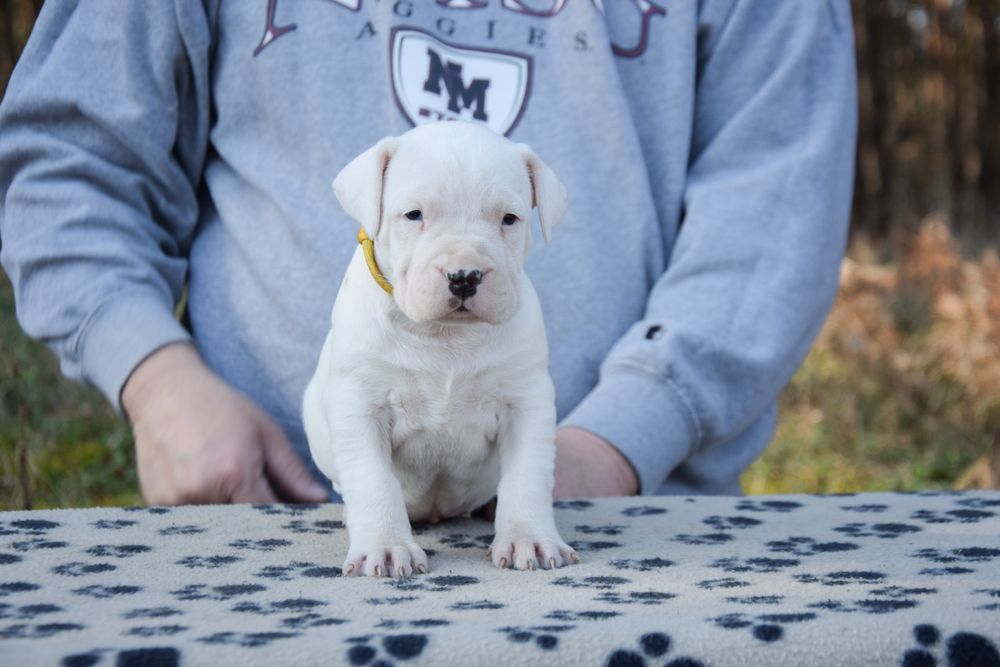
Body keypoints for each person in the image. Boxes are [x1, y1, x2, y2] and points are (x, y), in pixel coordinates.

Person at [0, 1, 857, 506]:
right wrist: (157, 380)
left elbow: (775, 198)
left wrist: (619, 440)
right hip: (278, 528)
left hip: (613, 529)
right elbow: (71, 157)